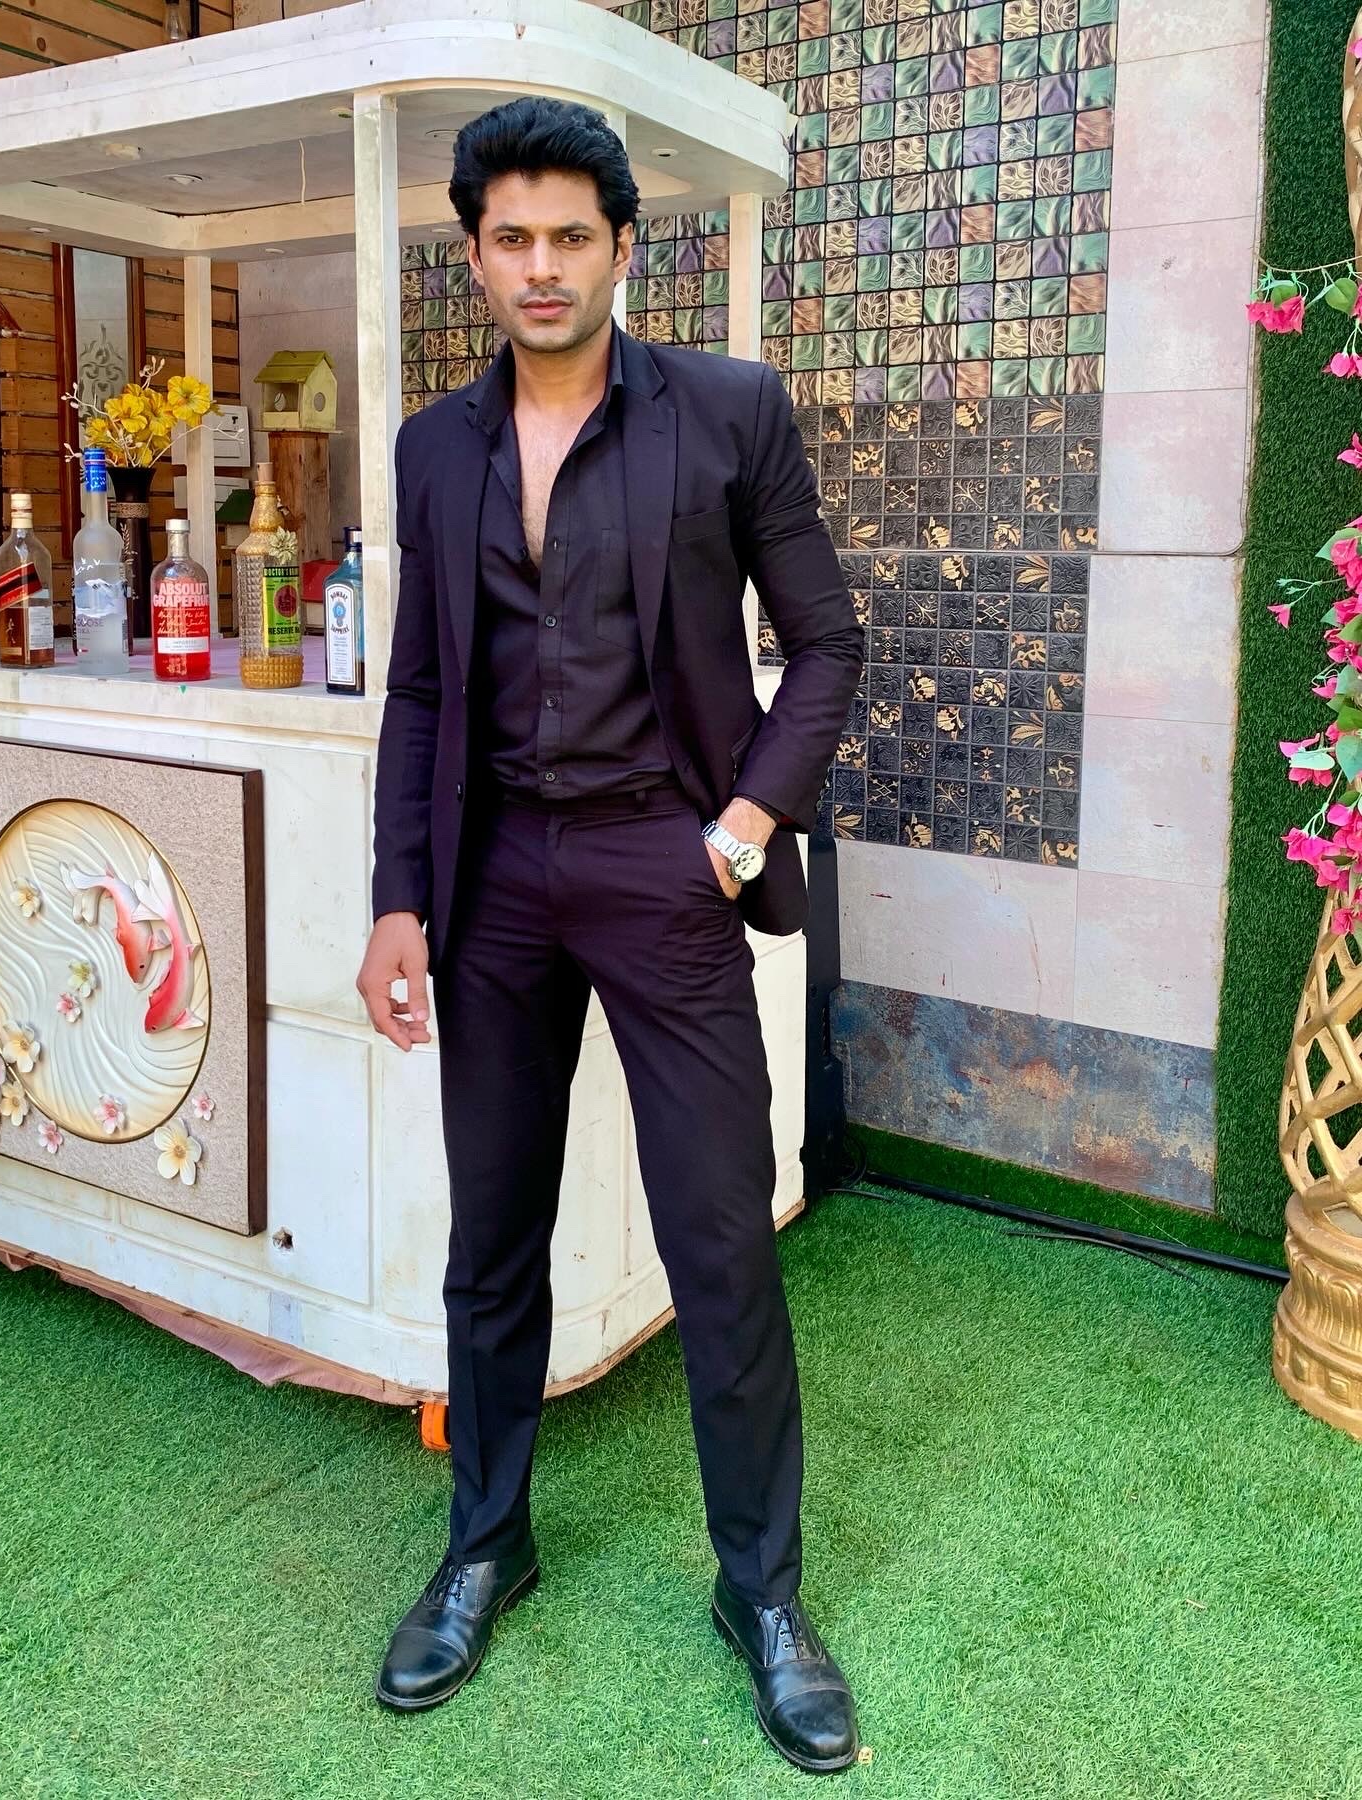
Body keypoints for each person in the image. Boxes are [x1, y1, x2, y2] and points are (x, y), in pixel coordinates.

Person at [356, 96, 864, 1775]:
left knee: (719, 1237)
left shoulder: (726, 410)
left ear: (624, 247)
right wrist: (398, 897)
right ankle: (484, 1545)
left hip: (665, 861)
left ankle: (762, 1595)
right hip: (493, 876)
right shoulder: (435, 449)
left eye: (571, 236)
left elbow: (828, 642)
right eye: (510, 237)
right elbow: (418, 688)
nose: (542, 266)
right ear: (475, 254)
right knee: (491, 1232)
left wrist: (743, 825)